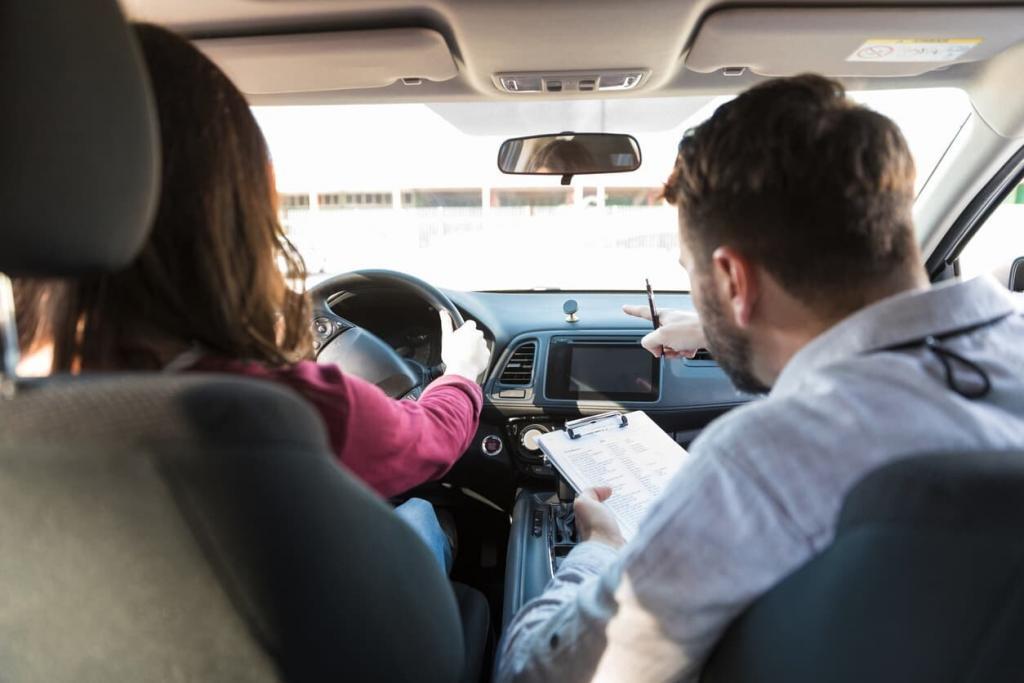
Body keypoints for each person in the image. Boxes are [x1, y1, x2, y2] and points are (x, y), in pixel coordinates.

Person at [496, 74, 1024, 682]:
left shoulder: (763, 461)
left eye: (693, 273)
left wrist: (598, 549)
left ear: (734, 281)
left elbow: (538, 673)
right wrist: (713, 326)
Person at [24, 24, 490, 572]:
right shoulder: (293, 411)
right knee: (419, 518)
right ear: (245, 207)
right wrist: (460, 376)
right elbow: (429, 442)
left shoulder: (24, 396)